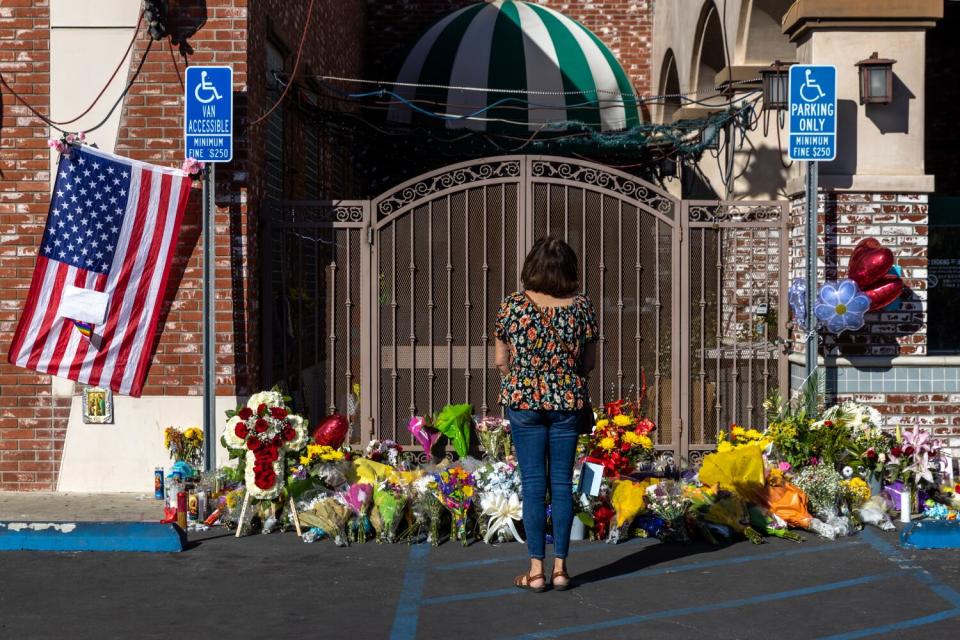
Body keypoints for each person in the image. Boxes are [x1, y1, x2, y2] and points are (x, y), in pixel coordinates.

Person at [494, 236, 598, 592]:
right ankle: (561, 569)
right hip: (567, 402)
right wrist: (561, 380)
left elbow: (500, 361)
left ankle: (535, 571)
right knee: (562, 486)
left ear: (531, 267)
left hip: (524, 403)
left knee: (533, 486)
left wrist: (525, 380)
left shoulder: (512, 305)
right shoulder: (582, 306)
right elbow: (589, 363)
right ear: (569, 268)